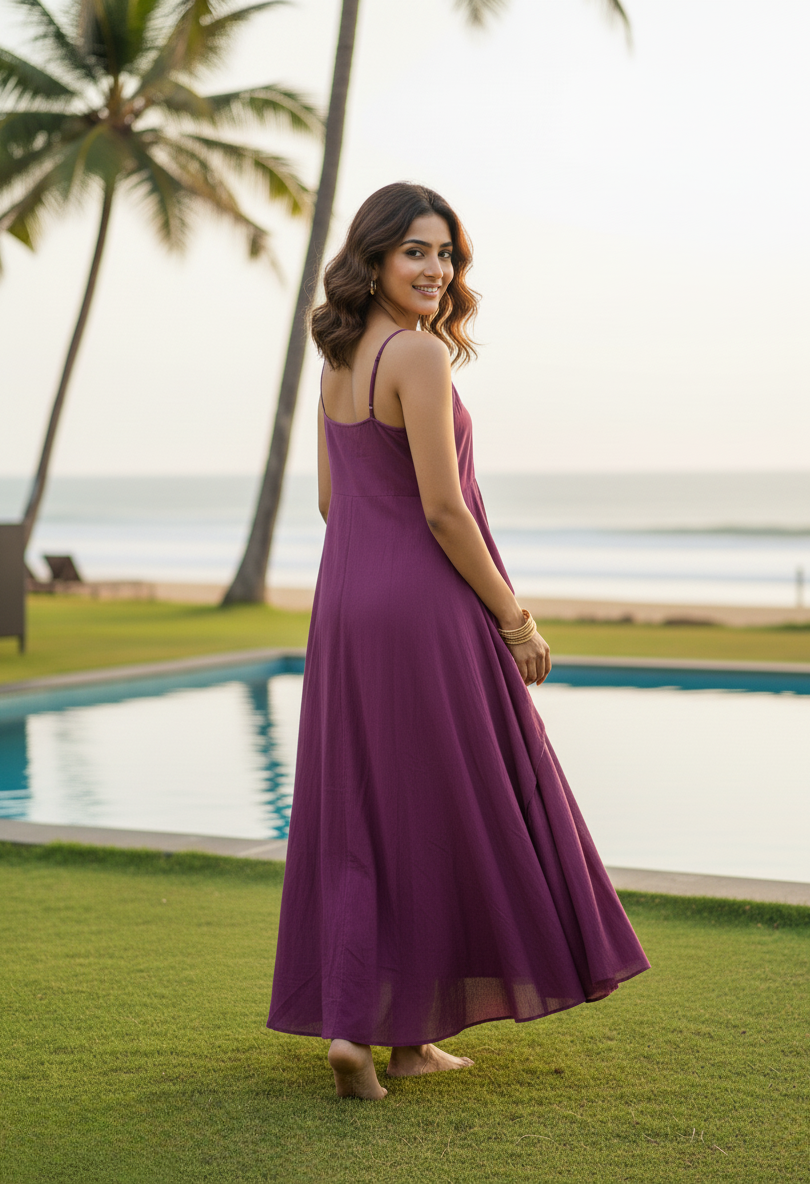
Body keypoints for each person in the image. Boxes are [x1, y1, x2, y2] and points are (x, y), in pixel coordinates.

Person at [267, 182, 650, 1100]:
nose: (436, 269)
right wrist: (515, 619)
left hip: (349, 600)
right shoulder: (420, 358)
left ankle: (389, 1037)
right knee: (443, 807)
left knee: (372, 809)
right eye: (417, 253)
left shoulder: (337, 359)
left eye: (446, 254)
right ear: (376, 260)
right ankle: (382, 1035)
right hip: (422, 603)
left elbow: (331, 502)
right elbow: (442, 508)